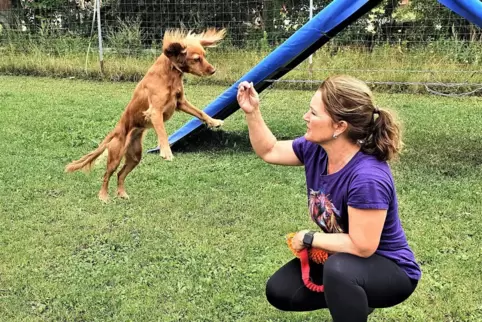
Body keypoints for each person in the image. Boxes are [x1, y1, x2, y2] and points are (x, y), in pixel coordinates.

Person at [236, 75, 421, 322]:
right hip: (346, 260)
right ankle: (353, 300)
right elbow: (270, 150)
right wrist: (252, 112)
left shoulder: (367, 177)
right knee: (281, 290)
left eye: (313, 113)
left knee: (339, 271)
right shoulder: (316, 149)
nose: (305, 117)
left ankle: (353, 297)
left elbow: (363, 246)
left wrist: (310, 238)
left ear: (339, 126)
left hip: (391, 269)